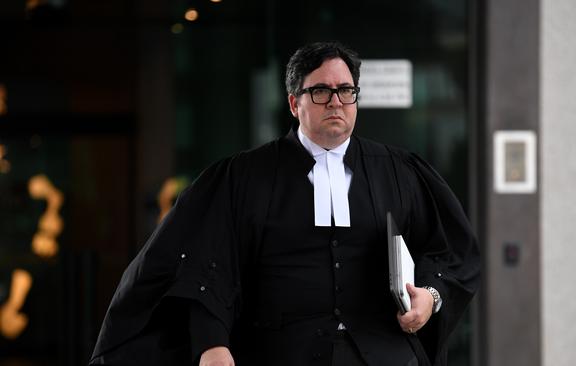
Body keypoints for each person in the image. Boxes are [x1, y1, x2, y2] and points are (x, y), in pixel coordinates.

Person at [89, 41, 480, 366]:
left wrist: (430, 297)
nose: (336, 102)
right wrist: (211, 343)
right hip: (278, 354)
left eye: (346, 91)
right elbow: (205, 267)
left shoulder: (399, 171)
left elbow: (449, 252)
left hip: (385, 356)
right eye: (321, 91)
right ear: (295, 103)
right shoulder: (242, 177)